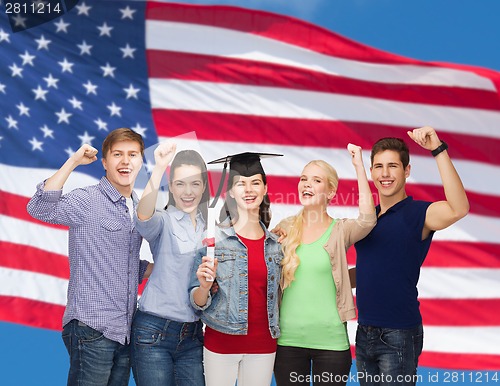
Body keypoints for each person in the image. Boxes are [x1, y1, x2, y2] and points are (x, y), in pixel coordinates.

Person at [27, 128, 152, 386]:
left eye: (132, 154)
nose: (125, 161)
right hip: (91, 327)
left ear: (141, 161)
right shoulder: (87, 200)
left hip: (124, 331)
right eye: (117, 154)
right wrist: (73, 161)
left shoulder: (139, 207)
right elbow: (39, 208)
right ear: (105, 162)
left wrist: (166, 266)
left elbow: (124, 265)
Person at [354, 126, 469, 386]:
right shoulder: (368, 219)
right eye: (379, 166)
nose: (385, 173)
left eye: (393, 166)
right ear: (371, 171)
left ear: (406, 171)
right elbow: (370, 271)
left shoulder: (419, 214)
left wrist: (438, 150)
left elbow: (459, 208)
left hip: (398, 333)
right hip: (364, 332)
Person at [273, 144, 376, 386]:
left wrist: (359, 166)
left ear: (331, 192)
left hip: (331, 344)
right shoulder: (284, 228)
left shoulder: (340, 230)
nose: (306, 184)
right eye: (303, 179)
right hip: (288, 342)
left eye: (316, 180)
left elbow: (368, 219)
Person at [190, 152, 283, 386]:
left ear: (264, 188)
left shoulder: (275, 245)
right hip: (221, 344)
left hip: (263, 346)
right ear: (230, 191)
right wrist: (203, 287)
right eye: (240, 183)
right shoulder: (213, 240)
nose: (248, 190)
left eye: (255, 183)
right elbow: (197, 301)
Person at [130, 142, 209, 386]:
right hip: (153, 331)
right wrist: (159, 167)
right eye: (180, 183)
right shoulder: (163, 222)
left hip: (193, 335)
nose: (188, 191)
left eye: (195, 183)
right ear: (171, 188)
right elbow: (142, 216)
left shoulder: (213, 227)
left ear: (204, 186)